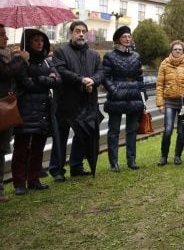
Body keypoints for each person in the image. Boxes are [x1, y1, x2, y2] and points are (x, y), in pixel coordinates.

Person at [49, 20, 105, 181]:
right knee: (61, 136)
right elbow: (61, 71)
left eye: (83, 31)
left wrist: (92, 81)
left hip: (87, 102)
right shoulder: (61, 52)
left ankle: (76, 166)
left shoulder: (94, 54)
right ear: (71, 33)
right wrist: (82, 80)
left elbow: (101, 72)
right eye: (77, 31)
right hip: (66, 102)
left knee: (83, 135)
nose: (81, 34)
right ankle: (57, 170)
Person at [12, 29, 61, 195]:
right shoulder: (21, 61)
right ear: (28, 42)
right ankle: (19, 183)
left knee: (38, 147)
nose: (40, 43)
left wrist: (40, 80)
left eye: (42, 40)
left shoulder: (47, 62)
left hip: (43, 109)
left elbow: (57, 80)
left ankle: (34, 179)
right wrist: (47, 81)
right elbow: (25, 84)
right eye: (35, 40)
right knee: (21, 148)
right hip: (25, 109)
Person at [102, 26, 146, 172]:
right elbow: (106, 78)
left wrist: (143, 94)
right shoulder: (110, 55)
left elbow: (140, 77)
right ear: (118, 40)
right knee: (114, 131)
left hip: (134, 96)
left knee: (132, 130)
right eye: (124, 37)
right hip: (117, 97)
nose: (127, 39)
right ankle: (114, 162)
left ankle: (131, 160)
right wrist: (114, 91)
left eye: (129, 36)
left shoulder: (136, 56)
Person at [156, 40, 184, 166]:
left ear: (183, 51)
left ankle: (177, 156)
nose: (178, 51)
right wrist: (160, 103)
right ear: (171, 50)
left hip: (183, 102)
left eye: (180, 49)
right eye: (175, 49)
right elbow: (159, 85)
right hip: (169, 101)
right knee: (168, 129)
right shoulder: (164, 64)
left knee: (181, 131)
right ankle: (164, 156)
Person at [0, 24, 29, 202]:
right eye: (2, 35)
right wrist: (21, 60)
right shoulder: (7, 59)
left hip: (6, 108)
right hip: (2, 108)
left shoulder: (6, 55)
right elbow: (4, 73)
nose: (7, 37)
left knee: (2, 150)